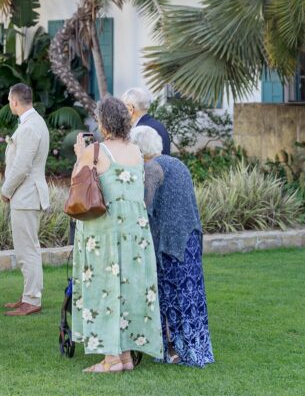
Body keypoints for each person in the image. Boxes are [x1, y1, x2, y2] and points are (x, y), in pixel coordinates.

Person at [71, 95, 163, 374]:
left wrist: (79, 156)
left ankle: (111, 359)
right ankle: (124, 355)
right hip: (135, 233)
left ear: (103, 122)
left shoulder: (96, 151)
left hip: (105, 231)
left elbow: (78, 183)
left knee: (105, 287)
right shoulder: (136, 151)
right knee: (127, 289)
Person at [131, 125, 214, 368]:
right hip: (190, 239)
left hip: (169, 244)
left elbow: (145, 208)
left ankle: (175, 351)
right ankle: (197, 349)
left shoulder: (151, 168)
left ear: (139, 149)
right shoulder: (178, 163)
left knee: (170, 298)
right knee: (191, 297)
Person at [1, 83, 50, 317]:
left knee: (26, 249)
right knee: (29, 247)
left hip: (26, 195)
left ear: (14, 101)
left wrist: (6, 190)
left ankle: (32, 299)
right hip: (28, 195)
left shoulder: (30, 127)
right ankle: (28, 294)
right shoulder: (33, 122)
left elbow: (22, 166)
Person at [121, 86, 171, 155]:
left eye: (122, 107)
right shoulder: (157, 125)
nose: (120, 111)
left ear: (130, 109)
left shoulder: (141, 132)